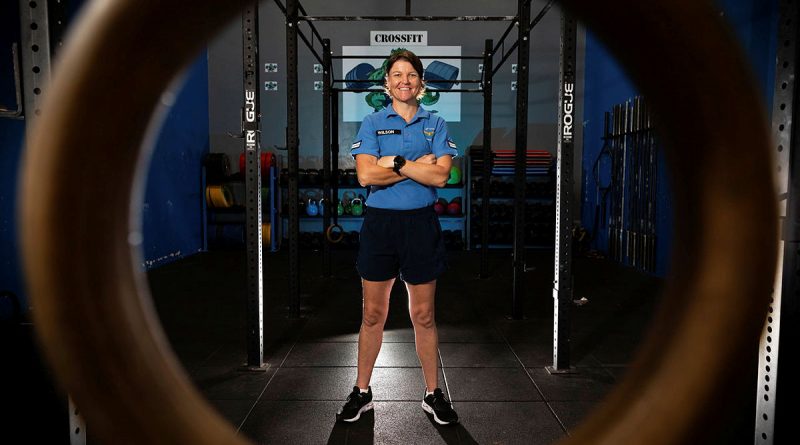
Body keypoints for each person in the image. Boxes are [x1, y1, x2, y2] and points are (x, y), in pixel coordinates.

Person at [336, 49, 460, 426]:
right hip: (380, 226)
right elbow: (365, 177)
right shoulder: (372, 122)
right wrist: (420, 166)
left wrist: (397, 163)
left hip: (420, 225)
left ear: (420, 82)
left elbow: (442, 177)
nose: (404, 80)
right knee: (373, 314)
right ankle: (362, 392)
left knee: (423, 314)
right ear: (386, 82)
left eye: (411, 74)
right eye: (397, 75)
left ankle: (432, 393)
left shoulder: (435, 123)